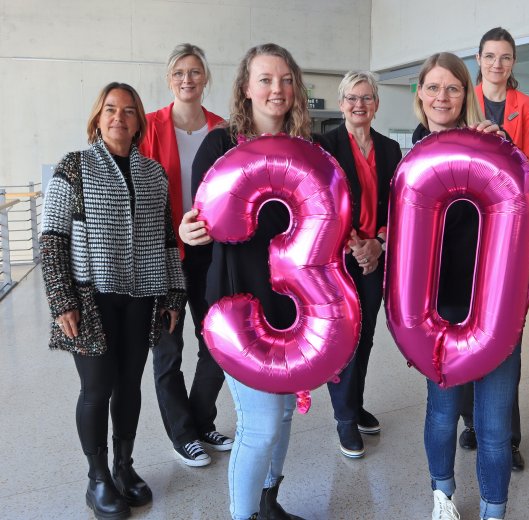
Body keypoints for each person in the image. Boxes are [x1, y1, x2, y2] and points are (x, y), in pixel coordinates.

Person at [41, 82, 185, 519]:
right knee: (96, 388)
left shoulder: (153, 173)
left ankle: (124, 467)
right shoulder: (75, 167)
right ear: (97, 117)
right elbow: (52, 238)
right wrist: (63, 298)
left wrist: (174, 295)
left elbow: (165, 240)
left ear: (140, 121)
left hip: (141, 296)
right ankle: (97, 477)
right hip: (90, 299)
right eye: (110, 110)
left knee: (129, 386)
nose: (118, 118)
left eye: (128, 111)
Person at [179, 43, 308, 520]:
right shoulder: (220, 144)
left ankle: (269, 503)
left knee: (286, 414)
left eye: (286, 79)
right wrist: (186, 230)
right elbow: (199, 220)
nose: (278, 89)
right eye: (266, 79)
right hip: (237, 304)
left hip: (292, 304)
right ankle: (244, 514)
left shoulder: (306, 150)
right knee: (261, 423)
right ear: (246, 88)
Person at [411, 51, 518, 520]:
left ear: (465, 94)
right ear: (420, 94)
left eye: (452, 88)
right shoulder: (411, 151)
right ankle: (443, 496)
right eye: (433, 87)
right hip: (438, 307)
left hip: (494, 303)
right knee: (443, 409)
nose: (442, 96)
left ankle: (494, 509)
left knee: (494, 422)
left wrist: (503, 145)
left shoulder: (491, 142)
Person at [139, 43, 232, 468]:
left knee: (217, 342)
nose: (187, 79)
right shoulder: (150, 127)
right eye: (179, 72)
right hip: (165, 255)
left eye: (195, 71)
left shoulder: (224, 130)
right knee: (168, 349)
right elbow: (138, 196)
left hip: (213, 253)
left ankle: (200, 420)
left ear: (205, 77)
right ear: (169, 78)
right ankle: (182, 434)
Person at [457, 26, 529, 471]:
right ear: (478, 58)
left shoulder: (526, 107)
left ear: (513, 63)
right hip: (463, 232)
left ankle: (508, 436)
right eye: (490, 56)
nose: (497, 64)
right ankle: (472, 422)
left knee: (507, 334)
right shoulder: (460, 97)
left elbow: (528, 170)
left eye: (505, 57)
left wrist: (504, 143)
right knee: (465, 327)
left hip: (506, 235)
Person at [315, 71, 402, 458]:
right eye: (352, 98)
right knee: (344, 338)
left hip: (375, 256)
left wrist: (378, 244)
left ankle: (355, 401)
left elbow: (397, 206)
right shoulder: (325, 145)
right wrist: (355, 245)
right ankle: (344, 419)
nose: (359, 105)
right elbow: (323, 204)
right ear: (341, 103)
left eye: (366, 98)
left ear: (376, 104)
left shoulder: (389, 149)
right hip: (339, 258)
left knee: (365, 335)